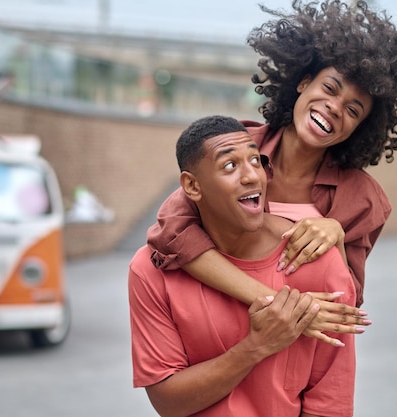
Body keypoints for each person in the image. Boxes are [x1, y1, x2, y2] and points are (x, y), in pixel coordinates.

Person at [146, 0, 397, 343]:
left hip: (295, 358)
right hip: (212, 339)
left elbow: (346, 306)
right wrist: (270, 301)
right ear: (303, 83)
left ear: (359, 127)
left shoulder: (363, 200)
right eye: (329, 88)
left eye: (353, 110)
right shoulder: (235, 147)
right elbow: (171, 233)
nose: (334, 108)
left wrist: (336, 237)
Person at [129, 115, 357, 417]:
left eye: (255, 160)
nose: (252, 176)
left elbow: (329, 406)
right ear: (192, 186)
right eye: (230, 165)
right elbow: (168, 402)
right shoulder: (150, 270)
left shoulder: (319, 262)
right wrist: (257, 345)